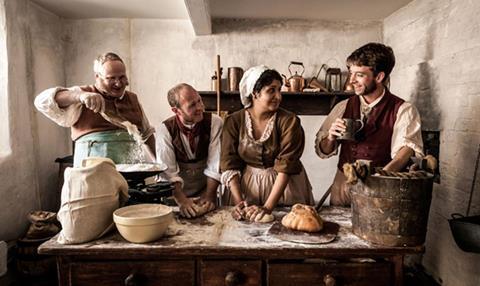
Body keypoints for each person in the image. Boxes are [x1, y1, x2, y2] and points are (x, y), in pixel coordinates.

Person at [315, 42, 424, 206]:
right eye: (351, 74)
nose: (351, 81)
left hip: (379, 188)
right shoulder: (343, 106)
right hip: (342, 185)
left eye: (359, 75)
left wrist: (378, 182)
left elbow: (404, 154)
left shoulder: (403, 110)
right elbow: (324, 150)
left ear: (379, 77)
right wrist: (330, 137)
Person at [221, 65, 315, 221]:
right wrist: (239, 203)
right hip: (247, 185)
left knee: (285, 230)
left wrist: (267, 207)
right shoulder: (234, 121)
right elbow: (229, 163)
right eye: (271, 90)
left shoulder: (289, 121)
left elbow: (286, 166)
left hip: (285, 186)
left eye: (279, 90)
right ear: (255, 93)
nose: (278, 96)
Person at [34, 52, 155, 166]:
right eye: (111, 78)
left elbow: (147, 135)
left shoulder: (133, 99)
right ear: (97, 77)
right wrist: (79, 96)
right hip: (92, 178)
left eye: (122, 77)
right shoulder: (83, 94)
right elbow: (41, 101)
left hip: (130, 178)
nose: (118, 83)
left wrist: (158, 165)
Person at [156, 83, 222, 218]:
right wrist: (182, 200)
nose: (200, 108)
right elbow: (168, 171)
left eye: (199, 101)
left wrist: (209, 195)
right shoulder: (165, 129)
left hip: (206, 189)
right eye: (192, 105)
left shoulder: (215, 123)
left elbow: (215, 163)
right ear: (176, 111)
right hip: (175, 194)